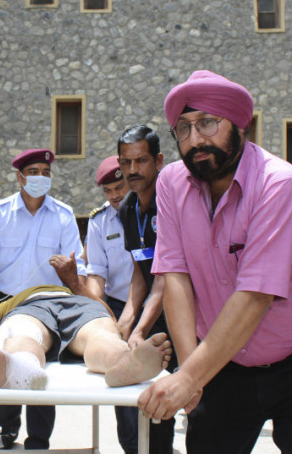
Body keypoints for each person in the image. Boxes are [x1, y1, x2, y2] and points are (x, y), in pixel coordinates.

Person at [138, 70, 292, 453]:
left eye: (208, 123)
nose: (196, 139)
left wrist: (189, 376)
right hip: (221, 363)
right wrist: (191, 374)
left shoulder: (279, 184)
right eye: (183, 128)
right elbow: (175, 277)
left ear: (239, 125)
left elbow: (255, 295)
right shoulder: (170, 183)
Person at [0, 148, 86, 450]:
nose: (40, 178)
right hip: (5, 302)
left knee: (39, 368)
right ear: (20, 176)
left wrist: (73, 278)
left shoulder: (63, 215)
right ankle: (7, 430)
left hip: (47, 306)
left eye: (46, 173)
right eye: (33, 172)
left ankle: (39, 438)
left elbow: (78, 267)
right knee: (7, 362)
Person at [0, 284, 171, 391]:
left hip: (35, 305)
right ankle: (120, 358)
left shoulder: (15, 300)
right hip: (78, 306)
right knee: (99, 334)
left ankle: (20, 364)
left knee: (23, 331)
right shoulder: (75, 292)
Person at [114, 125, 176, 454]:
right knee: (153, 420)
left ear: (159, 160)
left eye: (141, 161)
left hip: (190, 321)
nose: (133, 170)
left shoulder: (173, 202)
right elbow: (142, 270)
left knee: (205, 416)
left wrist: (137, 328)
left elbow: (166, 276)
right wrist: (125, 320)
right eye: (126, 162)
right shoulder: (127, 209)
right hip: (156, 323)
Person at [85, 156, 138, 454]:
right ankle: (131, 446)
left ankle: (157, 445)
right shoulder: (98, 221)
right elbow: (97, 272)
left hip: (156, 304)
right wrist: (97, 307)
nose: (116, 195)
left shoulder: (151, 212)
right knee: (122, 377)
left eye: (120, 187)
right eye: (109, 191)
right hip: (117, 307)